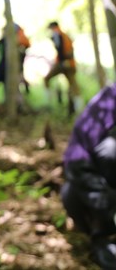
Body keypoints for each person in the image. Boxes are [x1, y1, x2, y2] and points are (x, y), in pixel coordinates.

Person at [61, 84, 116, 269]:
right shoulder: (108, 101)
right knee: (111, 150)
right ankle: (104, 237)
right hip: (87, 195)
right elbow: (76, 161)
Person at [44, 21, 82, 113]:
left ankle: (50, 101)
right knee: (72, 85)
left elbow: (62, 50)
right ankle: (77, 107)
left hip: (66, 63)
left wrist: (63, 61)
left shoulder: (58, 34)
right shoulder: (63, 35)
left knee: (72, 84)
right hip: (66, 63)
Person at [0, 23, 31, 96]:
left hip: (7, 69)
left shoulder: (14, 43)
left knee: (10, 87)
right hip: (10, 69)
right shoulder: (16, 43)